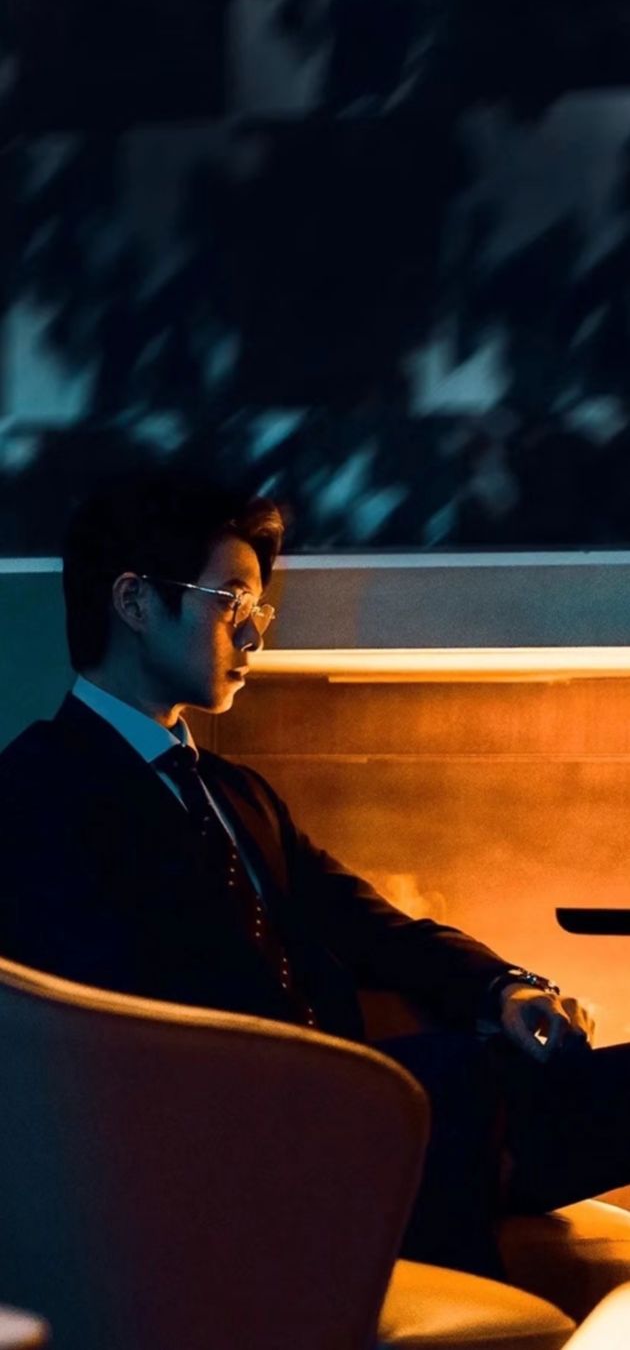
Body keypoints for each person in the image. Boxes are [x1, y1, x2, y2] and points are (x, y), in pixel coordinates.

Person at [0, 470, 628, 1278]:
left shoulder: (238, 794)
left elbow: (372, 927)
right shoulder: (35, 792)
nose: (255, 638)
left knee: (545, 1074)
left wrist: (503, 987)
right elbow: (105, 1034)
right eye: (232, 602)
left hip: (356, 1129)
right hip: (227, 1155)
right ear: (135, 602)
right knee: (474, 1085)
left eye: (257, 610)